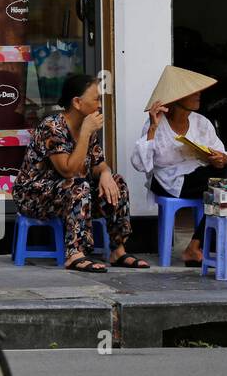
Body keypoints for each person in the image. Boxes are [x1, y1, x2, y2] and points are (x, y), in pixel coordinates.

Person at [130, 65, 227, 265]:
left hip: (199, 178)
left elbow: (221, 153)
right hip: (168, 181)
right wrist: (152, 128)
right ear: (177, 98)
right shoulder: (157, 125)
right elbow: (141, 165)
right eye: (193, 92)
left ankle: (196, 245)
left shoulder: (201, 122)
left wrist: (220, 159)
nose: (199, 95)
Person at [13, 74, 148, 272]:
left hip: (70, 195)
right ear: (77, 102)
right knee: (78, 184)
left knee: (116, 182)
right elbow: (68, 170)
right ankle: (74, 253)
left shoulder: (87, 128)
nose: (99, 105)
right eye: (96, 99)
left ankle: (118, 250)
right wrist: (84, 133)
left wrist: (105, 174)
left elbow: (98, 163)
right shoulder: (52, 127)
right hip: (35, 195)